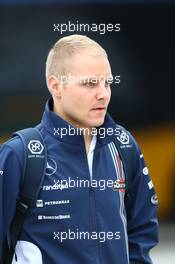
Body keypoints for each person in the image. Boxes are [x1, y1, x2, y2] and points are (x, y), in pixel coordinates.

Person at [0, 34, 159, 264]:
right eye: (90, 83)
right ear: (56, 86)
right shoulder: (20, 155)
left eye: (107, 82)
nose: (103, 93)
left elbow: (142, 232)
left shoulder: (123, 146)